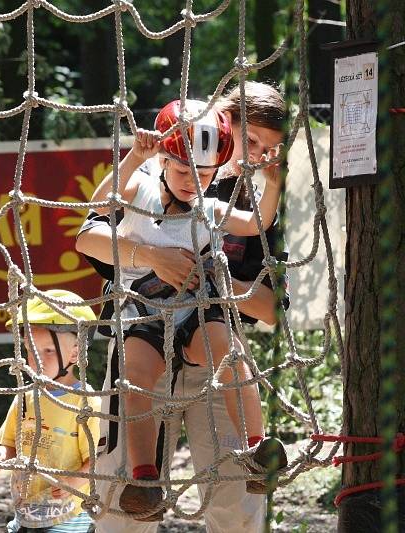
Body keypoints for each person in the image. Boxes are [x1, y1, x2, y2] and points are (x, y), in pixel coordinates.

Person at [78, 81, 291, 532]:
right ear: (223, 122)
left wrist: (214, 279)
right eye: (251, 140)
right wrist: (151, 256)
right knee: (124, 506)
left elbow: (271, 308)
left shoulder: (238, 203)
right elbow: (88, 235)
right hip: (143, 336)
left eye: (268, 149)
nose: (256, 154)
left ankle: (256, 451)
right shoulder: (149, 180)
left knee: (234, 502)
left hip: (210, 350)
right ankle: (142, 476)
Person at [0, 289, 101, 533]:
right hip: (27, 508)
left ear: (75, 353)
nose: (36, 359)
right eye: (31, 351)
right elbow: (11, 444)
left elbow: (97, 459)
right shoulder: (25, 397)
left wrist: (72, 482)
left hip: (67, 513)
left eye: (47, 351)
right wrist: (1, 454)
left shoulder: (84, 402)